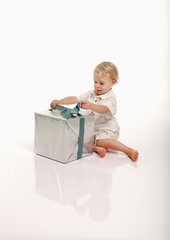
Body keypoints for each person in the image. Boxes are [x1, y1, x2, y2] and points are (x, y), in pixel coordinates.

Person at [50, 61, 139, 162]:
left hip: (107, 130)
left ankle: (128, 151)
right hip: (92, 130)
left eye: (101, 83)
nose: (97, 86)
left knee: (100, 140)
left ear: (113, 82)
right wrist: (59, 102)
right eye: (95, 82)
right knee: (75, 138)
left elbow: (104, 109)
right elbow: (75, 98)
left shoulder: (110, 99)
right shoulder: (91, 94)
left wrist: (91, 106)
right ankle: (97, 148)